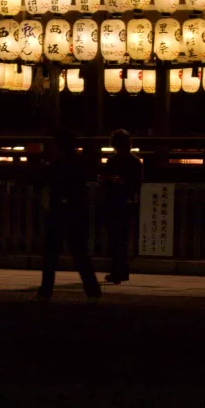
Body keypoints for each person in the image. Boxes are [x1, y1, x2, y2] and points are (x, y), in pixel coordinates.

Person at [38, 130, 101, 301]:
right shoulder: (77, 163)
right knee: (80, 253)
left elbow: (49, 182)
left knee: (51, 254)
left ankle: (46, 288)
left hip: (59, 210)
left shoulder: (57, 164)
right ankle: (92, 288)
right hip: (74, 212)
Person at [99, 129, 143, 284]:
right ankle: (122, 271)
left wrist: (110, 180)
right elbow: (137, 183)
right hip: (128, 201)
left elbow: (103, 180)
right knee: (123, 238)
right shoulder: (135, 161)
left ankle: (117, 271)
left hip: (113, 201)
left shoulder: (112, 161)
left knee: (114, 238)